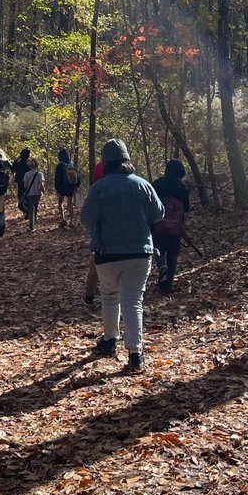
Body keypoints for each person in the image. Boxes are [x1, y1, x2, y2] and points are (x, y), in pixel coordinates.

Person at [80, 138, 163, 374]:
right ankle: (135, 354)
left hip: (107, 252)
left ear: (105, 163)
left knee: (109, 295)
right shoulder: (143, 184)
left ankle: (109, 340)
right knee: (133, 301)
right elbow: (159, 214)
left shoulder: (99, 188)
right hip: (140, 252)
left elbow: (86, 219)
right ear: (127, 160)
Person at [151, 159, 191, 293]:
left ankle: (162, 266)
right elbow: (186, 208)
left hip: (158, 224)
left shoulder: (157, 184)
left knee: (159, 249)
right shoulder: (183, 187)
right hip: (175, 227)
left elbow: (150, 203)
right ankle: (169, 283)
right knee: (173, 254)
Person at [84, 158, 106, 305]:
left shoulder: (98, 188)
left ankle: (90, 294)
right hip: (133, 241)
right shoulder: (137, 184)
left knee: (96, 262)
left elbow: (86, 218)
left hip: (102, 236)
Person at [55, 148, 79, 227]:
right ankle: (71, 221)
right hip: (70, 186)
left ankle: (63, 219)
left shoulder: (60, 165)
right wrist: (77, 185)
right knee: (70, 203)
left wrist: (57, 188)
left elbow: (57, 178)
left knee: (60, 202)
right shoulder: (71, 164)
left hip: (62, 186)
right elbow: (77, 176)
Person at [22, 157, 44, 232]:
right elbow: (41, 185)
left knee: (31, 210)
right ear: (37, 165)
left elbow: (25, 185)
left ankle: (31, 226)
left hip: (29, 194)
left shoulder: (26, 174)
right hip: (37, 194)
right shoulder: (40, 174)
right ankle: (34, 224)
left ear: (30, 165)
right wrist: (43, 192)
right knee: (36, 209)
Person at [12, 148, 31, 213]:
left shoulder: (18, 163)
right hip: (28, 183)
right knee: (27, 197)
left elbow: (13, 169)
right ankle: (27, 210)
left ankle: (26, 211)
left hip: (20, 182)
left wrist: (15, 160)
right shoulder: (29, 164)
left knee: (20, 197)